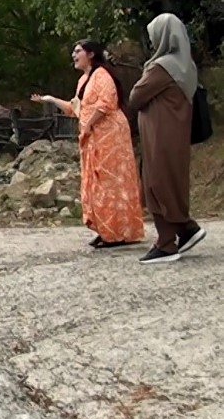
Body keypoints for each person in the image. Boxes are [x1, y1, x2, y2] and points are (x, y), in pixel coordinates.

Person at [31, 40, 145, 249]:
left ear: (91, 54)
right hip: (93, 136)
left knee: (111, 181)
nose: (73, 55)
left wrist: (88, 124)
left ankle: (119, 232)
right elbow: (76, 109)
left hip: (110, 136)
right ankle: (106, 230)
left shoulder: (102, 75)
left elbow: (105, 104)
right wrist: (50, 99)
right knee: (96, 183)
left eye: (78, 51)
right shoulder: (83, 80)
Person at [127, 13, 206, 263]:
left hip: (160, 137)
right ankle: (186, 229)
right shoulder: (187, 66)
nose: (152, 42)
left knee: (157, 184)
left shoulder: (162, 67)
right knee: (173, 181)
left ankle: (166, 243)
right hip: (176, 136)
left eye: (154, 36)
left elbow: (136, 97)